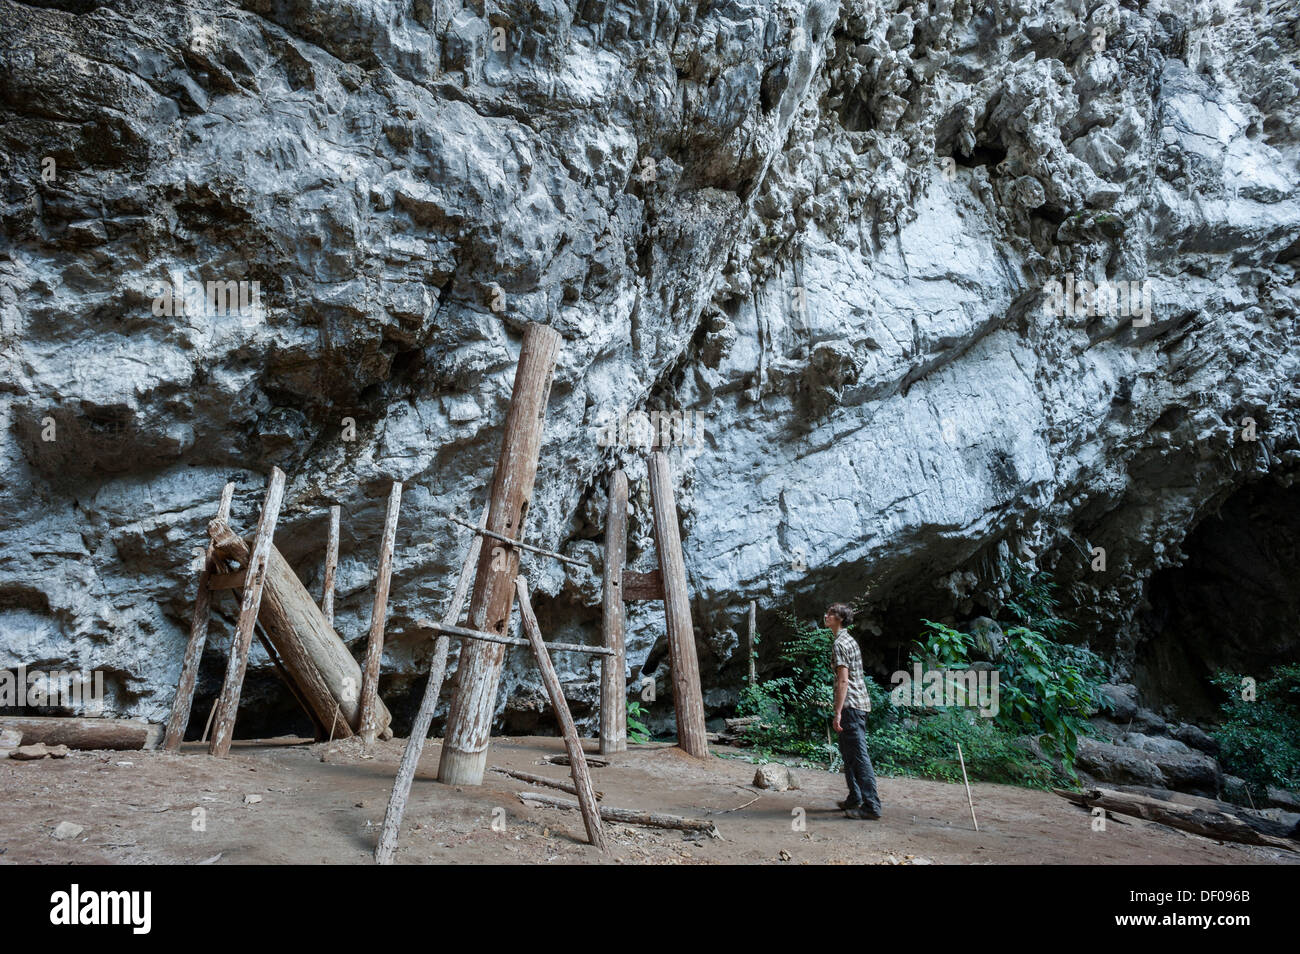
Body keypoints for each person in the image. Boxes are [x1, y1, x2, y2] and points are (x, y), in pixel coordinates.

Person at [826, 602, 882, 819]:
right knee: (849, 754)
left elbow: (843, 680)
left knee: (858, 756)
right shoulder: (849, 639)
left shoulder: (840, 643)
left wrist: (838, 711)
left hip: (851, 706)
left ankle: (872, 806)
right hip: (859, 704)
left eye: (831, 614)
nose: (826, 616)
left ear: (839, 619)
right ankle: (855, 797)